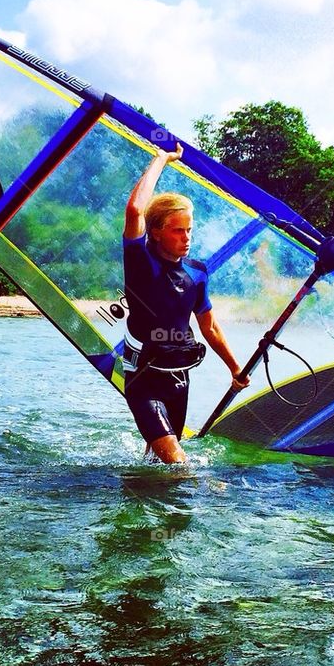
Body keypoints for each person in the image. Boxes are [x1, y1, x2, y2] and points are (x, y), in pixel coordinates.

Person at [123, 141, 248, 463]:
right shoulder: (141, 264)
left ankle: (143, 497)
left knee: (157, 461)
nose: (187, 237)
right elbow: (136, 210)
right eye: (178, 231)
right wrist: (163, 158)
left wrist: (235, 367)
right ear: (157, 232)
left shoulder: (197, 273)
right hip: (143, 379)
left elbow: (210, 327)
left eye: (189, 230)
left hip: (179, 377)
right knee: (179, 465)